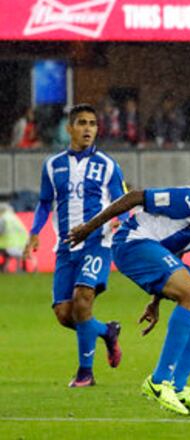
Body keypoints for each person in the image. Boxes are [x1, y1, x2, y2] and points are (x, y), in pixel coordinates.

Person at [65, 159, 190, 415]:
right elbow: (135, 197)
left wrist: (157, 298)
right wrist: (88, 229)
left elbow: (174, 254)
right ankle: (158, 382)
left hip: (154, 250)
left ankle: (178, 386)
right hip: (131, 242)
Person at [22, 103, 125, 387]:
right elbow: (44, 203)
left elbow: (122, 200)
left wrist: (120, 220)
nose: (88, 128)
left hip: (97, 243)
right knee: (65, 314)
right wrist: (34, 232)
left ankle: (85, 373)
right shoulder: (53, 165)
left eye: (92, 123)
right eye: (82, 123)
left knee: (82, 301)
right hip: (65, 248)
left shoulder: (107, 165)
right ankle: (107, 332)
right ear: (69, 129)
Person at [0, 203, 29, 273]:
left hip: (8, 245)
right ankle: (21, 268)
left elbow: (1, 231)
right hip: (22, 246)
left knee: (4, 253)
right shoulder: (14, 218)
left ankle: (3, 268)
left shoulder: (3, 218)